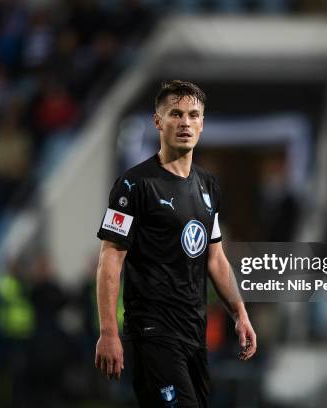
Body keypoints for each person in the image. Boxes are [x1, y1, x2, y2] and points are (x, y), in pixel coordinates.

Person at [95, 80, 256, 407]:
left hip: (194, 334)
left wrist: (239, 312)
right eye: (176, 114)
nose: (185, 122)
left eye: (193, 115)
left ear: (202, 124)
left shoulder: (208, 185)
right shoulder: (133, 185)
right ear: (158, 121)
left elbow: (216, 259)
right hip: (153, 332)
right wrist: (109, 331)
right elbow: (110, 259)